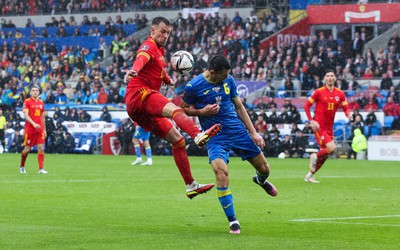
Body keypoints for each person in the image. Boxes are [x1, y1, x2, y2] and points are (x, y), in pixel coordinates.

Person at [123, 16, 221, 199]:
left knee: (177, 140)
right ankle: (197, 134)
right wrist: (133, 70)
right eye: (162, 31)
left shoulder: (159, 51)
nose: (165, 35)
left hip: (139, 108)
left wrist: (166, 79)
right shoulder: (149, 45)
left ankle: (191, 185)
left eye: (168, 33)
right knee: (175, 110)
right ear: (152, 30)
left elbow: (156, 69)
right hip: (140, 94)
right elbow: (142, 58)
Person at [181, 55, 277, 234]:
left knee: (265, 169)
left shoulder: (229, 80)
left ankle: (260, 181)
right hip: (215, 137)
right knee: (221, 172)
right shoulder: (193, 86)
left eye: (227, 74)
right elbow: (183, 107)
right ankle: (233, 220)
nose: (227, 77)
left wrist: (254, 132)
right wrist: (202, 111)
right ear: (212, 72)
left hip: (237, 131)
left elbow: (239, 107)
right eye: (223, 75)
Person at [303, 69, 353, 183]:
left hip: (330, 128)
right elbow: (306, 106)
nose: (330, 78)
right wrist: (311, 120)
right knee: (332, 148)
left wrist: (349, 114)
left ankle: (309, 176)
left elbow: (345, 108)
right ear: (325, 79)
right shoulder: (318, 92)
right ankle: (314, 156)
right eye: (328, 76)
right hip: (319, 127)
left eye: (332, 76)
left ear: (335, 78)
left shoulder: (340, 93)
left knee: (325, 155)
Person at [20, 86, 48, 174]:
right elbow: (26, 115)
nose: (35, 92)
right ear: (30, 93)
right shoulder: (27, 101)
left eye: (36, 90)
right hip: (30, 129)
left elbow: (42, 117)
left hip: (39, 129)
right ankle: (22, 166)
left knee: (41, 147)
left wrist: (44, 129)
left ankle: (41, 169)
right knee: (27, 149)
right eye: (33, 90)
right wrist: (33, 124)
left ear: (39, 92)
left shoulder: (41, 103)